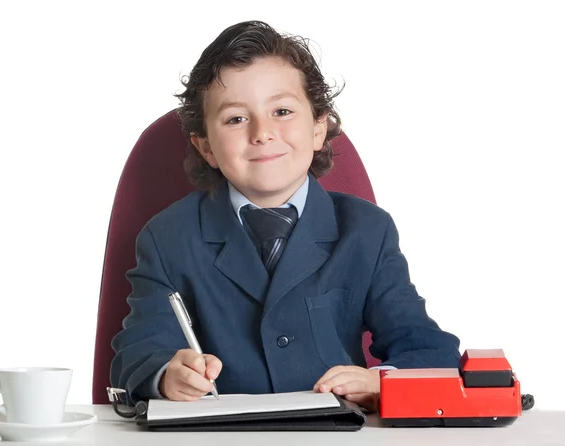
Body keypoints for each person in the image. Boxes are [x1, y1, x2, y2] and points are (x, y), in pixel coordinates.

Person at [110, 20, 461, 411]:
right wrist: (165, 375)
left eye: (281, 111)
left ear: (318, 128)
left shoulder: (368, 231)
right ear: (205, 147)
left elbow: (430, 351)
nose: (262, 132)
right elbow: (137, 351)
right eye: (235, 119)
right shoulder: (167, 237)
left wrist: (380, 381)